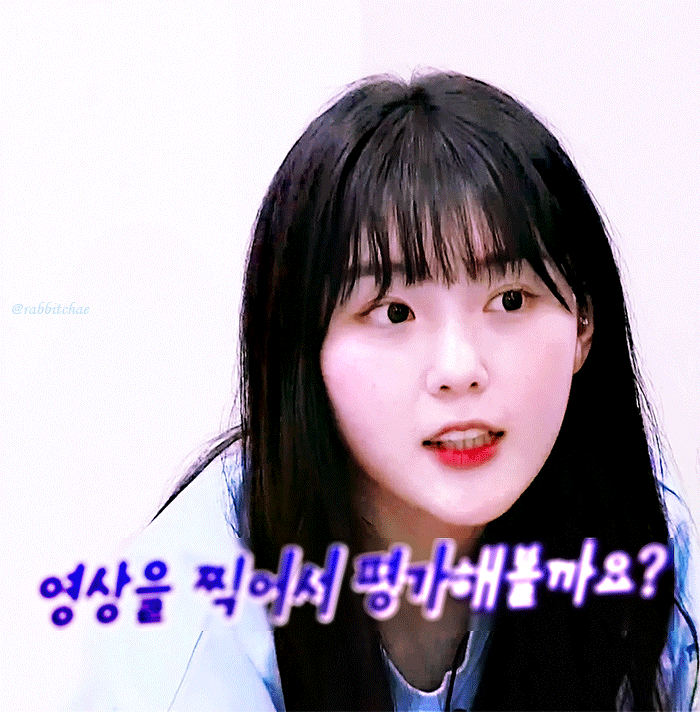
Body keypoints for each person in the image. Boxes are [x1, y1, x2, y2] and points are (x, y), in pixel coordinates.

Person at [72, 71, 697, 711]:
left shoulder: (634, 527)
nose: (459, 369)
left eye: (511, 300)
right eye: (395, 313)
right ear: (301, 349)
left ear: (584, 325)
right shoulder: (185, 627)